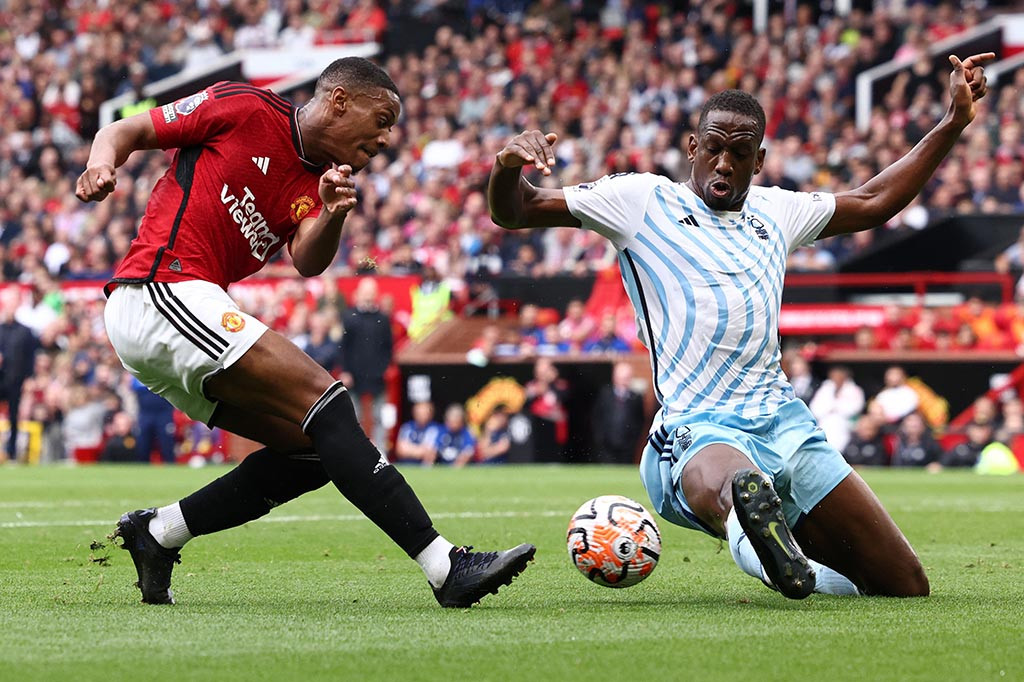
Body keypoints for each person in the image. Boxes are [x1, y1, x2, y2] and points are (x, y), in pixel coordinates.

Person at [487, 53, 993, 599]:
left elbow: (875, 201)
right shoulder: (640, 201)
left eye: (740, 152)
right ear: (692, 148)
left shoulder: (779, 212)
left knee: (903, 585)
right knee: (737, 485)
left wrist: (953, 122)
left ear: (760, 160)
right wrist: (507, 165)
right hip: (697, 427)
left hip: (785, 423)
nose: (723, 163)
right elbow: (517, 211)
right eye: (713, 148)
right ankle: (760, 542)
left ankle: (801, 571)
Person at [77, 57, 534, 608]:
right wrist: (100, 165)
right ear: (339, 100)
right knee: (330, 404)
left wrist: (335, 212)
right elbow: (128, 129)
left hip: (176, 311)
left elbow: (307, 261)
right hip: (158, 289)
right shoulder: (245, 108)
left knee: (311, 450)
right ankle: (446, 567)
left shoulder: (320, 184)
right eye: (382, 119)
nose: (386, 139)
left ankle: (159, 534)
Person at [340, 278, 392, 450]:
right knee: (354, 418)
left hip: (377, 376)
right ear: (359, 293)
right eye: (366, 291)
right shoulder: (348, 316)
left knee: (379, 417)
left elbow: (388, 347)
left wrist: (384, 368)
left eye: (371, 291)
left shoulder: (383, 319)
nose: (369, 295)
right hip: (354, 375)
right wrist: (345, 371)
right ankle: (356, 453)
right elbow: (343, 347)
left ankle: (382, 453)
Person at [0, 288, 39, 461]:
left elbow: (30, 358)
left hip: (16, 380)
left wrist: (30, 378)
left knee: (15, 417)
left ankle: (11, 452)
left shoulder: (25, 331)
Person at [591, 361, 646, 464]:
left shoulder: (636, 397)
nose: (624, 381)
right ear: (615, 377)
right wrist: (599, 437)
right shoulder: (605, 394)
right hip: (606, 443)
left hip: (627, 444)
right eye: (622, 378)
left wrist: (634, 439)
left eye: (627, 378)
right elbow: (597, 417)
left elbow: (640, 420)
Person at [808, 365, 865, 452]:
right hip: (825, 423)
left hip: (846, 424)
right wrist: (830, 406)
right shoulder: (825, 389)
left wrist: (837, 406)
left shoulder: (853, 389)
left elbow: (856, 407)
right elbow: (815, 408)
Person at [393, 400, 441, 465]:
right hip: (404, 465)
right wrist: (420, 450)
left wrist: (409, 449)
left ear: (430, 414)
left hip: (423, 468)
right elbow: (400, 450)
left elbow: (431, 452)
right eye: (419, 413)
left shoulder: (434, 429)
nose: (421, 416)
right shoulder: (407, 427)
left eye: (424, 413)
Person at [434, 403, 477, 467]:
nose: (453, 424)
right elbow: (434, 449)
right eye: (450, 421)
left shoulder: (467, 433)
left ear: (461, 422)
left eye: (455, 422)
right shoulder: (441, 431)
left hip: (460, 468)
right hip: (442, 465)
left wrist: (455, 467)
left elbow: (468, 452)